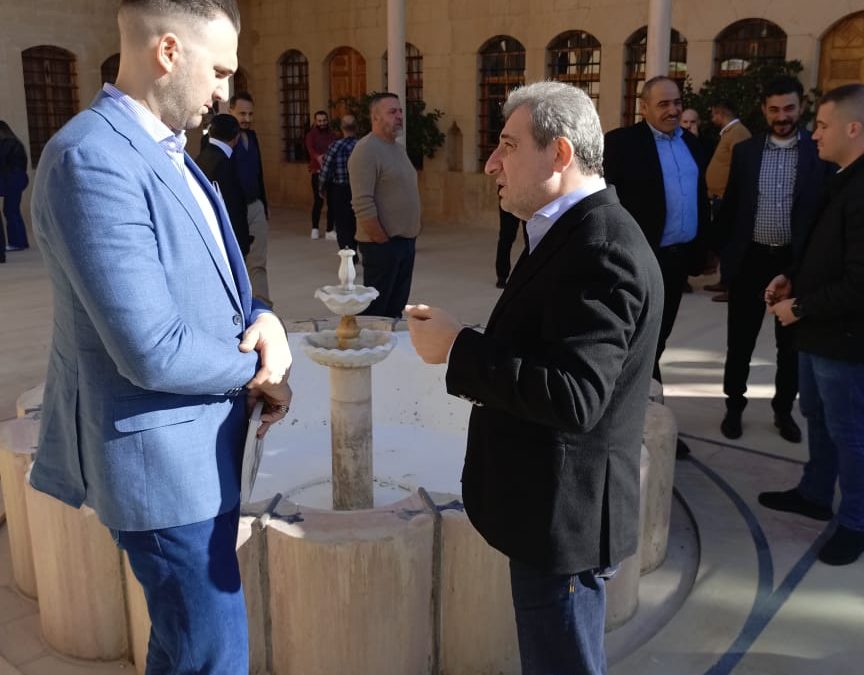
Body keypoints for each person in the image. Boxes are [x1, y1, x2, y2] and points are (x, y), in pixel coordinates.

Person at [28, 1, 293, 672]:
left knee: (184, 650)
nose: (225, 92)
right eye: (220, 71)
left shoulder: (167, 150)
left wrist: (262, 316)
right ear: (169, 52)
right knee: (214, 658)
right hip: (164, 474)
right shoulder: (91, 159)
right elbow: (150, 349)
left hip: (200, 456)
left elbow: (210, 284)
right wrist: (259, 369)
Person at [406, 81, 663, 675]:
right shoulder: (567, 230)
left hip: (565, 525)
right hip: (547, 512)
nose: (491, 164)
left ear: (560, 153)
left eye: (508, 145)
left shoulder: (601, 247)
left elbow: (577, 396)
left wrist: (458, 348)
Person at [759, 83, 864, 566]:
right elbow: (826, 254)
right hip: (819, 335)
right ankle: (816, 493)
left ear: (853, 128)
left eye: (821, 125)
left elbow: (858, 283)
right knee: (818, 418)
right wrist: (791, 279)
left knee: (850, 432)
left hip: (844, 342)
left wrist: (799, 308)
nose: (814, 134)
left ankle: (856, 522)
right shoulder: (841, 178)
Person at [718, 77, 831, 443]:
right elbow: (732, 206)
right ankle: (734, 406)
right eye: (774, 109)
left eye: (789, 108)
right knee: (740, 342)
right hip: (751, 261)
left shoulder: (817, 151)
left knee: (790, 346)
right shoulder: (746, 152)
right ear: (764, 110)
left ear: (802, 107)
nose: (782, 116)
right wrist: (724, 257)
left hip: (796, 264)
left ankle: (783, 410)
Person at [604, 76, 710, 458]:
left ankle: (646, 419)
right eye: (663, 104)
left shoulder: (692, 144)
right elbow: (603, 201)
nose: (673, 110)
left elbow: (698, 198)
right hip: (637, 263)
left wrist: (704, 250)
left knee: (655, 341)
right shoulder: (620, 144)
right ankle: (644, 425)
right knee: (639, 342)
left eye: (677, 102)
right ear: (644, 106)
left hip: (676, 262)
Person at [348, 93, 421, 318]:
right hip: (382, 245)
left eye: (400, 111)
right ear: (375, 117)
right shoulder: (366, 150)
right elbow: (362, 202)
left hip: (405, 242)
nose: (399, 116)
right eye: (392, 112)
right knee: (376, 313)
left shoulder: (397, 149)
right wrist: (381, 240)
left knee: (395, 309)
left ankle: (390, 342)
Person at [703, 99, 752, 302]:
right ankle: (724, 280)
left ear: (720, 113)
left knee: (731, 243)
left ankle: (732, 286)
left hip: (728, 198)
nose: (712, 118)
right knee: (724, 242)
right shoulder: (729, 133)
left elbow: (741, 166)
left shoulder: (738, 133)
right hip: (719, 197)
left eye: (713, 114)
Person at [229, 90, 271, 305]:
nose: (246, 118)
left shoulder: (252, 137)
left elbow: (258, 172)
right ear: (231, 111)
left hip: (255, 206)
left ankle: (263, 306)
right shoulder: (218, 138)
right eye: (242, 114)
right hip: (234, 210)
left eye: (250, 114)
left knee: (258, 261)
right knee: (236, 262)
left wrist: (264, 204)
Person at [195, 113, 252, 256]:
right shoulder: (224, 164)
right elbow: (234, 209)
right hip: (226, 243)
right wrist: (242, 244)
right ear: (237, 137)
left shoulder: (200, 158)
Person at [318, 114, 359, 256]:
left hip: (340, 189)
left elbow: (325, 169)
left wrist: (321, 188)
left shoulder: (335, 146)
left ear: (342, 128)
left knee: (342, 223)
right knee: (356, 221)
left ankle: (347, 253)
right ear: (356, 128)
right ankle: (354, 250)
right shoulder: (361, 146)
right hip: (357, 189)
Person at [305, 109, 338, 240]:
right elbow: (311, 150)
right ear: (315, 121)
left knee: (332, 202)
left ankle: (330, 230)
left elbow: (334, 149)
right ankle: (315, 228)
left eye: (324, 120)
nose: (322, 123)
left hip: (331, 173)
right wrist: (319, 158)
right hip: (317, 172)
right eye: (319, 121)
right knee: (318, 201)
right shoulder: (311, 135)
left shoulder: (332, 135)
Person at [0, 120, 30, 259]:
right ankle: (20, 241)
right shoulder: (15, 143)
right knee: (13, 210)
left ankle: (17, 242)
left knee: (10, 210)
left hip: (11, 180)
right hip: (17, 179)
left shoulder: (7, 144)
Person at [494, 206, 522, 288]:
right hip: (510, 202)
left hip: (528, 201)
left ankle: (530, 273)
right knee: (506, 238)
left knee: (531, 239)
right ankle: (502, 276)